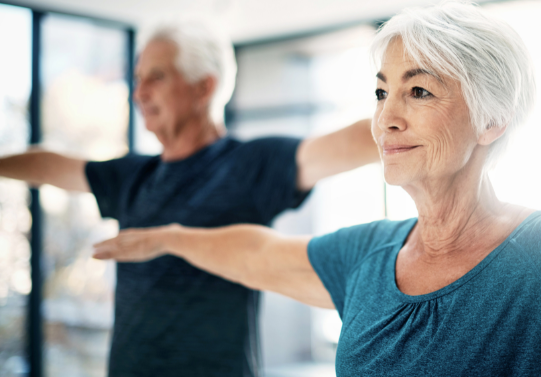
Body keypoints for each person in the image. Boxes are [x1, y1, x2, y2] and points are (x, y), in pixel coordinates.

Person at [92, 2, 541, 376]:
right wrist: (170, 236)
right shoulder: (370, 257)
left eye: (419, 91)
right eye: (382, 91)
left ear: (491, 119)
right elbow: (255, 253)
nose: (385, 119)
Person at [0, 21, 378, 377]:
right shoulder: (132, 175)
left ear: (203, 88)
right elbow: (49, 166)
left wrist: (421, 119)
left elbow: (347, 144)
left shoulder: (248, 165)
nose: (139, 92)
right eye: (137, 79)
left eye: (157, 77)